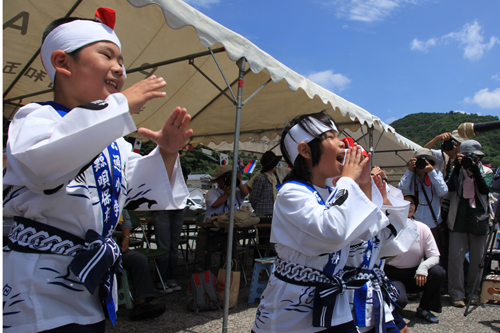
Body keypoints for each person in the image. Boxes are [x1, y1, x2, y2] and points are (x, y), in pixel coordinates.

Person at [2, 8, 192, 332]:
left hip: (89, 283)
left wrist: (167, 152)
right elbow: (43, 167)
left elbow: (142, 190)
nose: (119, 69)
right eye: (108, 56)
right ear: (63, 63)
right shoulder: (35, 118)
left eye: (121, 62)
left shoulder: (113, 140)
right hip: (36, 286)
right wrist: (120, 106)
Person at [253, 111, 390, 333]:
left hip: (334, 304)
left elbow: (366, 232)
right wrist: (347, 179)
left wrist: (363, 181)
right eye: (331, 136)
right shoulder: (291, 193)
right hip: (291, 307)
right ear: (305, 150)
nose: (344, 143)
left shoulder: (332, 192)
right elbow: (332, 232)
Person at [446, 140, 493, 307]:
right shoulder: (456, 170)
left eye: (474, 157)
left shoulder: (486, 171)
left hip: (479, 219)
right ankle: (456, 293)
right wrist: (458, 168)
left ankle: (473, 291)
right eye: (466, 157)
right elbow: (449, 188)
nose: (471, 160)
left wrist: (474, 171)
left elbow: (484, 190)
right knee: (456, 259)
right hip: (458, 219)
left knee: (477, 258)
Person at [385, 194, 445, 324]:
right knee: (400, 301)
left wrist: (423, 268)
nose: (409, 206)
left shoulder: (422, 228)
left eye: (412, 203)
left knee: (438, 272)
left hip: (415, 274)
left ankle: (425, 308)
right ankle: (394, 310)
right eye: (405, 203)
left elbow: (435, 256)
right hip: (393, 274)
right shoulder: (388, 226)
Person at [193, 165, 249, 272]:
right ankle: (202, 281)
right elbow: (215, 204)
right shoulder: (212, 193)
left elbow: (245, 193)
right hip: (209, 232)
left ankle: (226, 280)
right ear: (219, 180)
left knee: (230, 259)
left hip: (227, 233)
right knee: (202, 259)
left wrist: (239, 182)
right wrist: (227, 194)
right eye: (226, 178)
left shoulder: (236, 193)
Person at [150, 165, 191, 293]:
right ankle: (161, 281)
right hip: (162, 209)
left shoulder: (179, 169)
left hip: (177, 209)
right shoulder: (161, 169)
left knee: (173, 247)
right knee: (164, 247)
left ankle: (170, 279)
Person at [119, 210, 166, 321]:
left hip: (119, 247)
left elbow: (126, 220)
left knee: (139, 259)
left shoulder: (118, 200)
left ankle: (141, 304)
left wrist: (126, 237)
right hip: (98, 247)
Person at [398, 148, 448, 246]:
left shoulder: (436, 174)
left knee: (433, 252)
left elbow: (443, 191)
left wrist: (431, 172)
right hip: (415, 222)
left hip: (432, 222)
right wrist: (410, 170)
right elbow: (401, 189)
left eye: (425, 162)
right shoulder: (411, 176)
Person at [249, 151, 281, 221]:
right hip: (262, 215)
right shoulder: (261, 178)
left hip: (272, 214)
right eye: (275, 163)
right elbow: (253, 198)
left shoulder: (274, 178)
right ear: (270, 165)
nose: (276, 165)